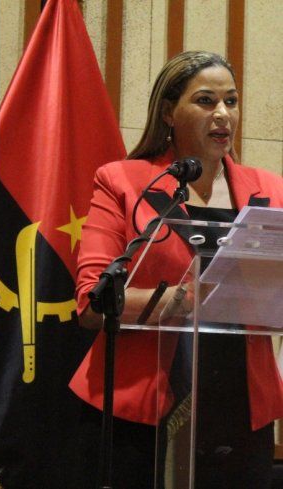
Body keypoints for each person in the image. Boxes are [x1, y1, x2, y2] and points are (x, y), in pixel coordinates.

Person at [70, 51, 283, 488]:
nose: (223, 114)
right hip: (143, 411)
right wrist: (185, 299)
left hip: (242, 408)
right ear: (169, 112)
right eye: (205, 101)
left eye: (231, 101)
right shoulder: (123, 182)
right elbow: (92, 302)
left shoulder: (270, 189)